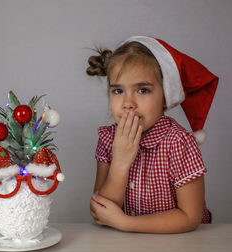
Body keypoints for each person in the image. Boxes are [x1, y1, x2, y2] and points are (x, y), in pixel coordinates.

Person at [87, 36, 219, 233]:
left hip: (182, 245)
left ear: (165, 96)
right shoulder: (108, 138)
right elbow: (101, 212)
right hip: (127, 248)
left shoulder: (179, 142)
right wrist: (120, 163)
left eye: (142, 90)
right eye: (118, 91)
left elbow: (190, 217)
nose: (128, 102)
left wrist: (125, 223)